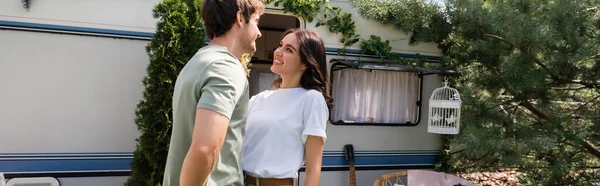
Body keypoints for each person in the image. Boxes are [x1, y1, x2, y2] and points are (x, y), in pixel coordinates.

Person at [162, 0, 264, 185]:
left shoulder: (199, 60)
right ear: (240, 18)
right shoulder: (224, 68)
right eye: (257, 21)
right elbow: (205, 149)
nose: (259, 32)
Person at [242, 28, 333, 186]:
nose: (278, 52)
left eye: (289, 50)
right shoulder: (259, 99)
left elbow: (313, 170)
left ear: (305, 63)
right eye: (281, 45)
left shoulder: (311, 99)